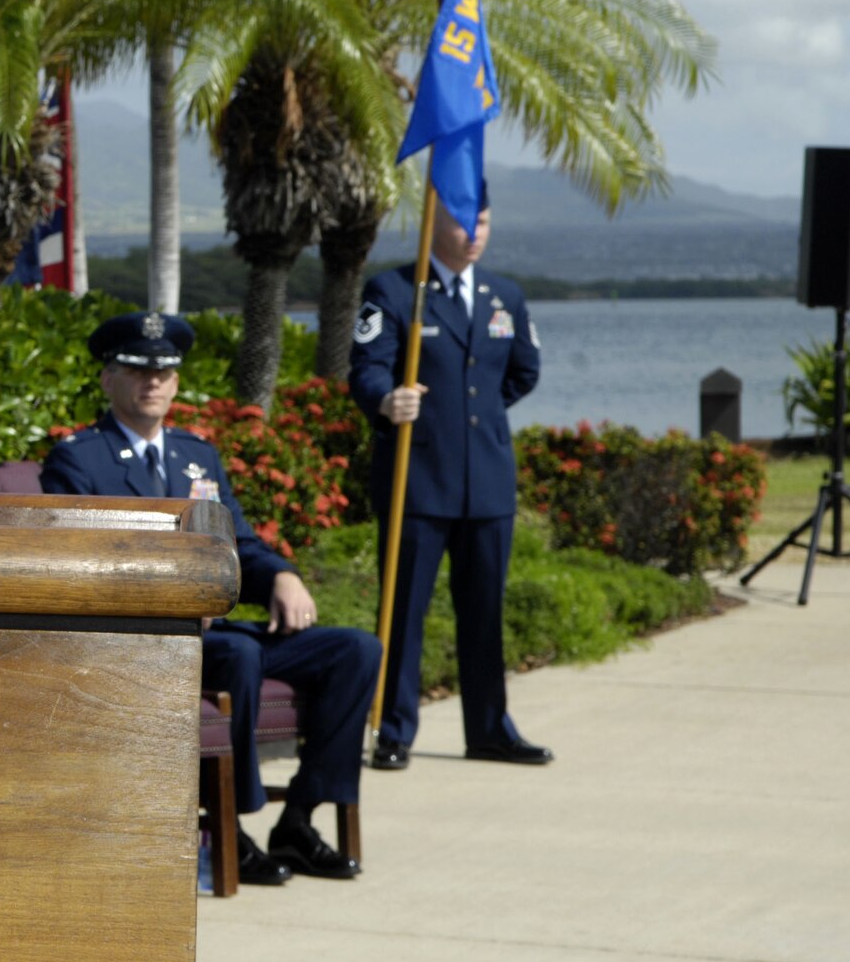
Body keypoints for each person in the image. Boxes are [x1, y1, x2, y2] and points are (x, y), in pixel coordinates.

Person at [41, 312, 379, 888]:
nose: (154, 382)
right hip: (147, 638)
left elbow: (238, 542)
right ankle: (232, 830)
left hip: (214, 632)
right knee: (240, 659)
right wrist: (176, 594)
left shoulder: (197, 456)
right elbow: (87, 560)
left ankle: (299, 818)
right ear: (107, 380)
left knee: (355, 651)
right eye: (137, 370)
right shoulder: (80, 459)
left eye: (165, 372)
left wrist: (281, 576)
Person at [349, 184, 547, 771]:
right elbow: (366, 369)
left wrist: (470, 423)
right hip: (418, 480)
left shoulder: (504, 295)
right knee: (404, 612)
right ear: (433, 223)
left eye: (484, 219)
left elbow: (522, 372)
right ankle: (393, 729)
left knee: (485, 613)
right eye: (464, 221)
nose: (475, 232)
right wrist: (388, 402)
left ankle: (489, 728)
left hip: (486, 483)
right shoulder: (393, 291)